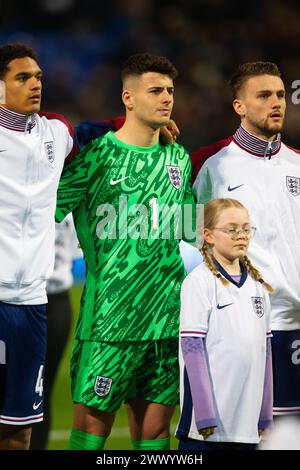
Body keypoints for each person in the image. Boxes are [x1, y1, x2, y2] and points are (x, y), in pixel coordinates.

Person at [55, 52, 195, 451]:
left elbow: (189, 230)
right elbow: (43, 207)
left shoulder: (179, 159)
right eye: (155, 90)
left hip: (167, 322)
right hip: (108, 326)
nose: (166, 97)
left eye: (169, 90)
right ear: (128, 98)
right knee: (90, 437)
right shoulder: (95, 156)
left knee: (154, 438)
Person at [191, 62, 300, 417]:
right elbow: (185, 236)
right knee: (244, 432)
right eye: (265, 95)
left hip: (295, 324)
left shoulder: (296, 164)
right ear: (239, 106)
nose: (277, 103)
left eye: (281, 95)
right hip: (244, 326)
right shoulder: (209, 164)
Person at [0, 43, 75, 450]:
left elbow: (100, 137)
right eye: (22, 77)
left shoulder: (56, 133)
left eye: (39, 77)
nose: (35, 84)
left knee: (21, 429)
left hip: (32, 304)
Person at [177, 198, 273, 450]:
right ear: (208, 235)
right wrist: (205, 417)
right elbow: (191, 349)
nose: (241, 235)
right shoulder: (199, 282)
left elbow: (266, 353)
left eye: (245, 228)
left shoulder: (258, 286)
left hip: (248, 430)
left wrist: (264, 414)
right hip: (208, 432)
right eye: (231, 229)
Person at [30, 215, 80, 450]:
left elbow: (75, 251)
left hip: (56, 301)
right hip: (21, 300)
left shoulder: (70, 192)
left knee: (42, 390)